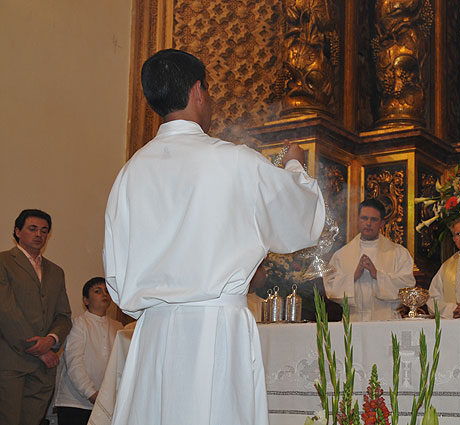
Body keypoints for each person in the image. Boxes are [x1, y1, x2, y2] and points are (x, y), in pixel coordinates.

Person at [103, 49, 325, 425]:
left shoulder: (129, 173)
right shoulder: (232, 160)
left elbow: (115, 274)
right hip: (215, 332)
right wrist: (294, 164)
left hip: (153, 336)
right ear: (198, 92)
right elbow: (299, 219)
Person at [0, 209, 72, 425]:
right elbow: (5, 310)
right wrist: (39, 349)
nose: (39, 234)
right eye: (33, 229)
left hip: (43, 368)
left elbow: (64, 316)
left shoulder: (56, 271)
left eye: (44, 231)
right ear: (17, 231)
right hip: (11, 362)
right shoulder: (3, 261)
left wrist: (51, 340)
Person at [323, 199, 416, 321]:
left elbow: (408, 286)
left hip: (387, 320)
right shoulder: (341, 255)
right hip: (353, 321)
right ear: (358, 220)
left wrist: (377, 275)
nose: (368, 223)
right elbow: (330, 288)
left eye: (373, 219)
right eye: (364, 218)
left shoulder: (399, 253)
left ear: (382, 223)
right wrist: (354, 276)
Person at [54, 277, 123, 425]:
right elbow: (74, 362)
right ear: (85, 300)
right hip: (75, 403)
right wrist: (91, 393)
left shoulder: (119, 327)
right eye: (98, 291)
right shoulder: (78, 324)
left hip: (106, 404)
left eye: (107, 291)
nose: (104, 294)